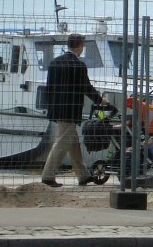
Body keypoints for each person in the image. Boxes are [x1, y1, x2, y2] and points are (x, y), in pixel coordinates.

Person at [40, 33, 107, 187]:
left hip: (57, 110)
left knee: (73, 142)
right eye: (83, 45)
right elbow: (86, 88)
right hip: (70, 111)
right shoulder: (79, 65)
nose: (83, 48)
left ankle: (83, 175)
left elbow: (49, 88)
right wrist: (100, 100)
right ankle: (47, 176)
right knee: (63, 142)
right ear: (80, 46)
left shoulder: (54, 63)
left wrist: (51, 108)